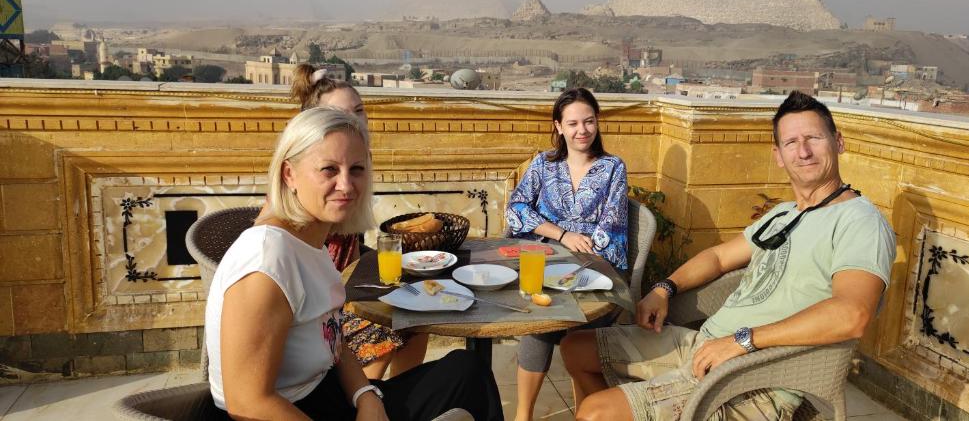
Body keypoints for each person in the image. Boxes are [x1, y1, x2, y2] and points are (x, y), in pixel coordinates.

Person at [560, 91, 896, 421]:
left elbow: (852, 314)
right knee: (575, 349)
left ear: (838, 142)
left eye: (814, 138)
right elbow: (719, 258)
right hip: (707, 345)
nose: (803, 152)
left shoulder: (859, 220)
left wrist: (743, 341)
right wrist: (664, 288)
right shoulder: (783, 214)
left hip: (759, 376)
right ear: (778, 155)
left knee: (596, 413)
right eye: (791, 143)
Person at [206, 106, 503, 420]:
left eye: (357, 169)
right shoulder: (268, 258)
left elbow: (331, 337)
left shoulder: (310, 241)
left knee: (467, 371)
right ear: (289, 174)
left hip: (326, 393)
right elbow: (247, 403)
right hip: (287, 412)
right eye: (329, 170)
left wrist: (366, 395)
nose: (346, 186)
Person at [291, 63, 428, 379]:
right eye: (341, 113)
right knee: (382, 326)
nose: (354, 120)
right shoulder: (309, 178)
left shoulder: (356, 166)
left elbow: (350, 252)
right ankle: (367, 399)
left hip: (338, 289)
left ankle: (394, 402)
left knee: (418, 314)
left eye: (359, 110)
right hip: (310, 313)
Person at [505, 87, 628, 421]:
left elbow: (612, 227)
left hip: (594, 268)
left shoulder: (613, 167)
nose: (582, 130)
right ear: (558, 126)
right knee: (541, 318)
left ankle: (584, 413)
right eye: (572, 123)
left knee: (555, 322)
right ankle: (523, 415)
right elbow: (515, 208)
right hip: (545, 259)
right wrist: (561, 234)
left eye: (589, 121)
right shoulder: (543, 165)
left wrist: (580, 253)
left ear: (597, 122)